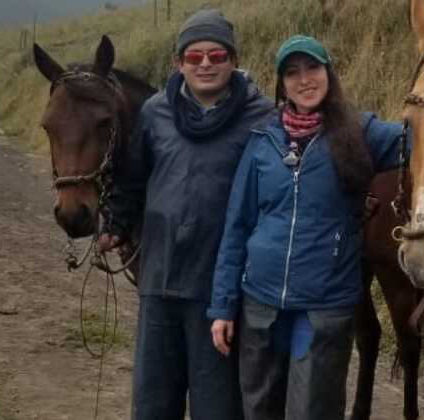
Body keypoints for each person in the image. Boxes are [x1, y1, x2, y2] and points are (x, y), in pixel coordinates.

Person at [208, 35, 408, 420]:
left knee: (312, 411)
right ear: (282, 85)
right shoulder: (263, 141)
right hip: (260, 306)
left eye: (313, 68)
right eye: (292, 73)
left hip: (324, 307)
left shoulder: (361, 133)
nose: (305, 80)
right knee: (259, 409)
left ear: (328, 73)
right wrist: (222, 307)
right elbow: (237, 226)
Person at [97, 9, 274, 420]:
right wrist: (117, 225)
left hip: (218, 292)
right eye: (194, 57)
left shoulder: (261, 118)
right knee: (153, 403)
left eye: (216, 55)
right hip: (158, 280)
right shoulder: (156, 112)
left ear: (233, 59)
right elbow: (133, 180)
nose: (206, 64)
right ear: (179, 63)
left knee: (217, 408)